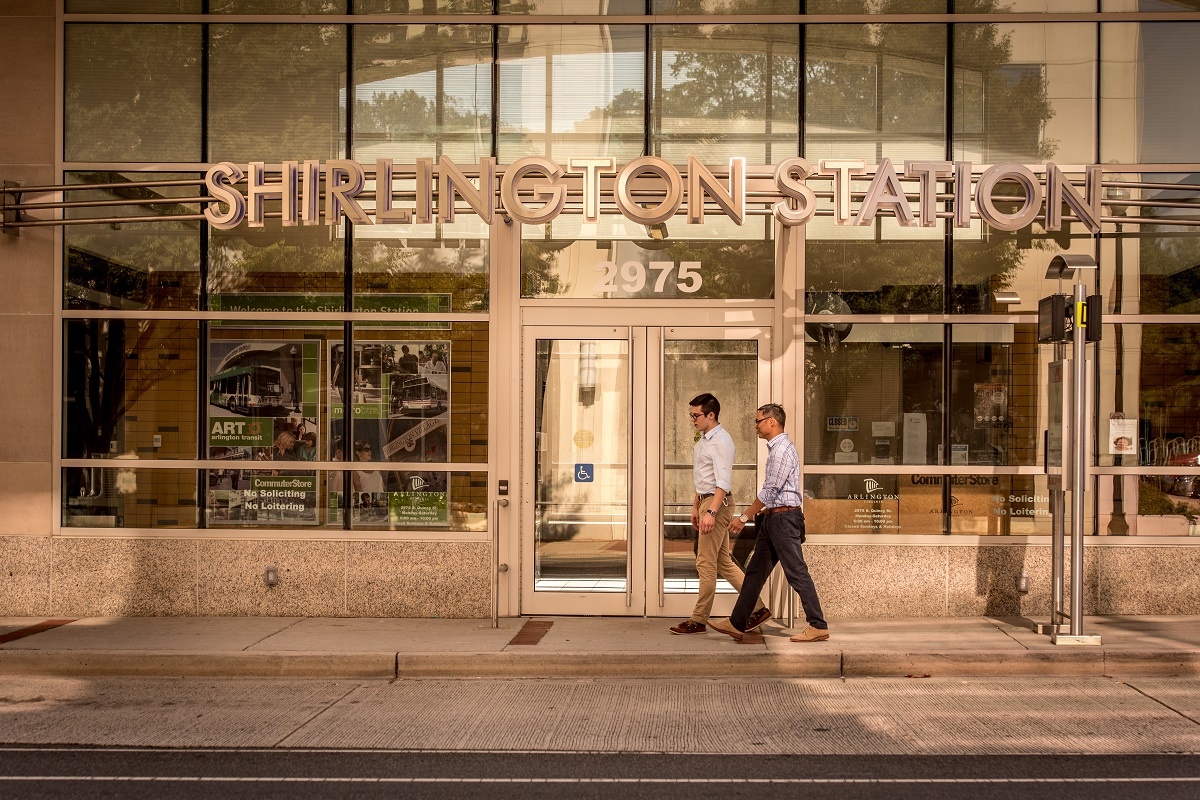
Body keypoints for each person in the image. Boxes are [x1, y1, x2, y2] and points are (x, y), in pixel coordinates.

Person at [709, 403, 830, 643]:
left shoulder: (782, 449)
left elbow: (771, 490)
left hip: (784, 519)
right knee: (754, 573)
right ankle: (737, 623)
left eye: (758, 421)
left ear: (772, 421)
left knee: (796, 573)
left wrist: (744, 517)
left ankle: (818, 625)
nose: (755, 425)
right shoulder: (776, 449)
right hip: (773, 519)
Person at [670, 393, 768, 635]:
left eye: (696, 415)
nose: (692, 419)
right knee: (723, 561)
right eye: (690, 415)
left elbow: (723, 481)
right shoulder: (704, 440)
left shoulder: (721, 441)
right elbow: (703, 479)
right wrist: (696, 506)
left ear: (710, 415)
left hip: (718, 504)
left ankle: (698, 619)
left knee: (705, 562)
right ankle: (757, 607)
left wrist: (711, 511)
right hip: (707, 502)